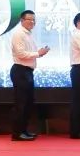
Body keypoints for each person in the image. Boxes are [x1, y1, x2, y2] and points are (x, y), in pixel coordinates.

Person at [10, 10, 50, 141]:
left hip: (27, 71)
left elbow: (29, 53)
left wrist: (40, 53)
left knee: (28, 103)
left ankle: (24, 130)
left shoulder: (28, 34)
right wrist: (38, 53)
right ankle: (17, 133)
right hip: (20, 70)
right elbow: (21, 54)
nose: (32, 22)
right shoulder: (19, 34)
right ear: (22, 20)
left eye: (34, 20)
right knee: (21, 103)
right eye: (29, 19)